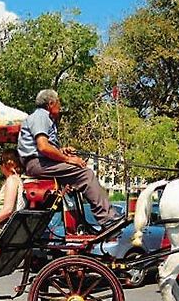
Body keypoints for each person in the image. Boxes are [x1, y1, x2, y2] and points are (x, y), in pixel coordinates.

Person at [17, 89, 120, 229]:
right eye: (58, 103)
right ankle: (107, 218)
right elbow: (43, 147)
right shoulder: (41, 117)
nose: (60, 107)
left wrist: (61, 151)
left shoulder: (43, 118)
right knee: (85, 174)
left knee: (79, 171)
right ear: (51, 103)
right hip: (38, 164)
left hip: (41, 162)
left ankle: (80, 224)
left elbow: (45, 147)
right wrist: (68, 159)